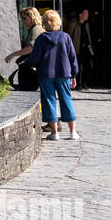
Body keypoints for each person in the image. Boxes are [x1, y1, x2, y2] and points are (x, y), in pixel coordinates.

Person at [30, 9, 80, 141]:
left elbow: (35, 58)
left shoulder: (41, 38)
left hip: (46, 74)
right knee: (66, 100)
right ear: (58, 22)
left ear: (44, 23)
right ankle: (72, 132)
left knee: (49, 101)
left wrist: (27, 62)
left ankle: (54, 133)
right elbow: (72, 57)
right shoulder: (65, 37)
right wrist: (74, 75)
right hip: (64, 74)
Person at [5, 7, 43, 91]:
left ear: (31, 16)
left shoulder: (35, 29)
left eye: (24, 18)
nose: (23, 21)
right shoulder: (35, 28)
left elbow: (30, 48)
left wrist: (13, 54)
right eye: (22, 19)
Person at [65, 9, 96, 90]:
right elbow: (68, 36)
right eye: (86, 14)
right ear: (80, 15)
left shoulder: (87, 24)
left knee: (89, 66)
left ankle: (84, 83)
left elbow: (88, 36)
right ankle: (78, 85)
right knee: (78, 68)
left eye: (88, 14)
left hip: (86, 49)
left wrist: (91, 47)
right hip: (77, 49)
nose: (87, 15)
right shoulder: (73, 23)